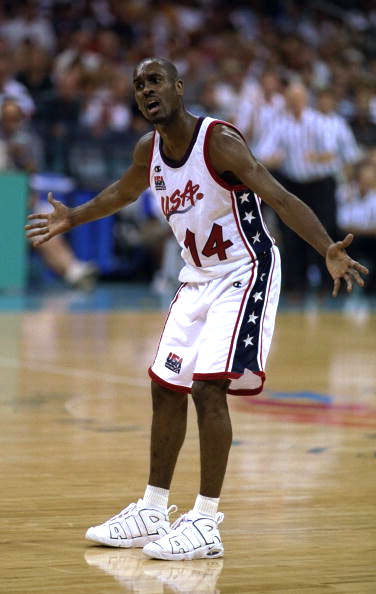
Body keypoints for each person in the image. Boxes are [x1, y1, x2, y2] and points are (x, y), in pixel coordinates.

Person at [25, 58, 368, 561]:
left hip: (244, 271)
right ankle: (152, 509)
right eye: (139, 85)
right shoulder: (150, 151)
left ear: (179, 88)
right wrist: (74, 216)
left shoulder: (219, 142)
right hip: (197, 278)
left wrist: (325, 249)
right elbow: (125, 190)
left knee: (209, 388)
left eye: (155, 81)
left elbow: (280, 195)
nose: (146, 91)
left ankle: (206, 523)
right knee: (165, 387)